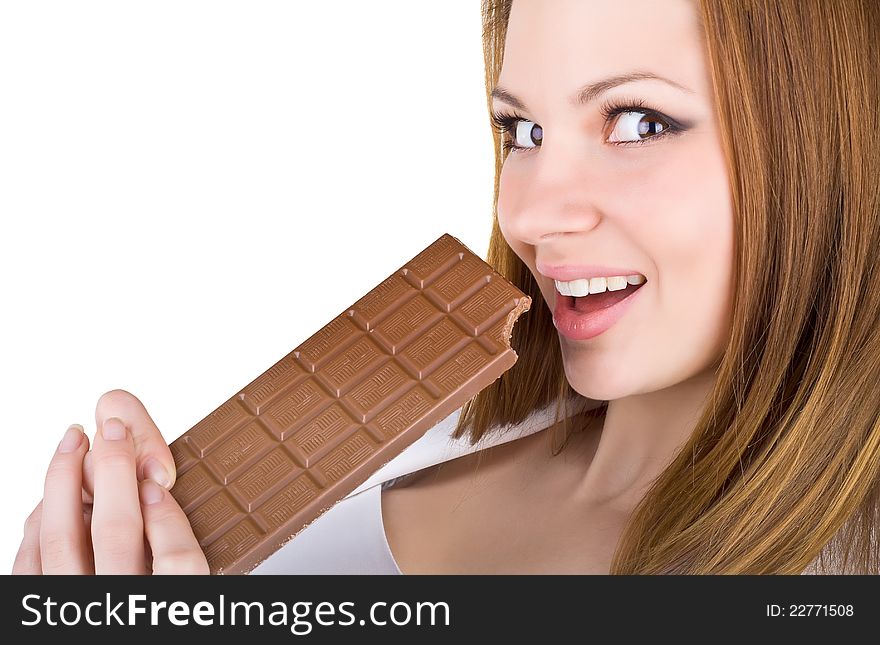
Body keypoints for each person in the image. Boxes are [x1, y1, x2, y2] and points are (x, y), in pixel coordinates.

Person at [13, 0, 879, 575]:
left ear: (831, 147)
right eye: (524, 129)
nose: (530, 212)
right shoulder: (388, 447)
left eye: (639, 121)